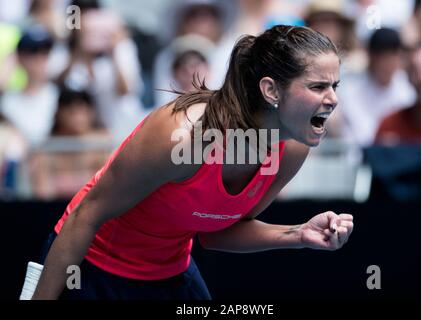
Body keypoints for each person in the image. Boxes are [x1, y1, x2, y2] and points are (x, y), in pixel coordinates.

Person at [32, 25, 354, 300]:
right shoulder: (183, 136)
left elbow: (219, 234)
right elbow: (85, 215)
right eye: (318, 86)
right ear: (271, 90)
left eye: (334, 86)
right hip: (94, 266)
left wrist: (299, 234)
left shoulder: (293, 147)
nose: (333, 98)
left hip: (169, 273)